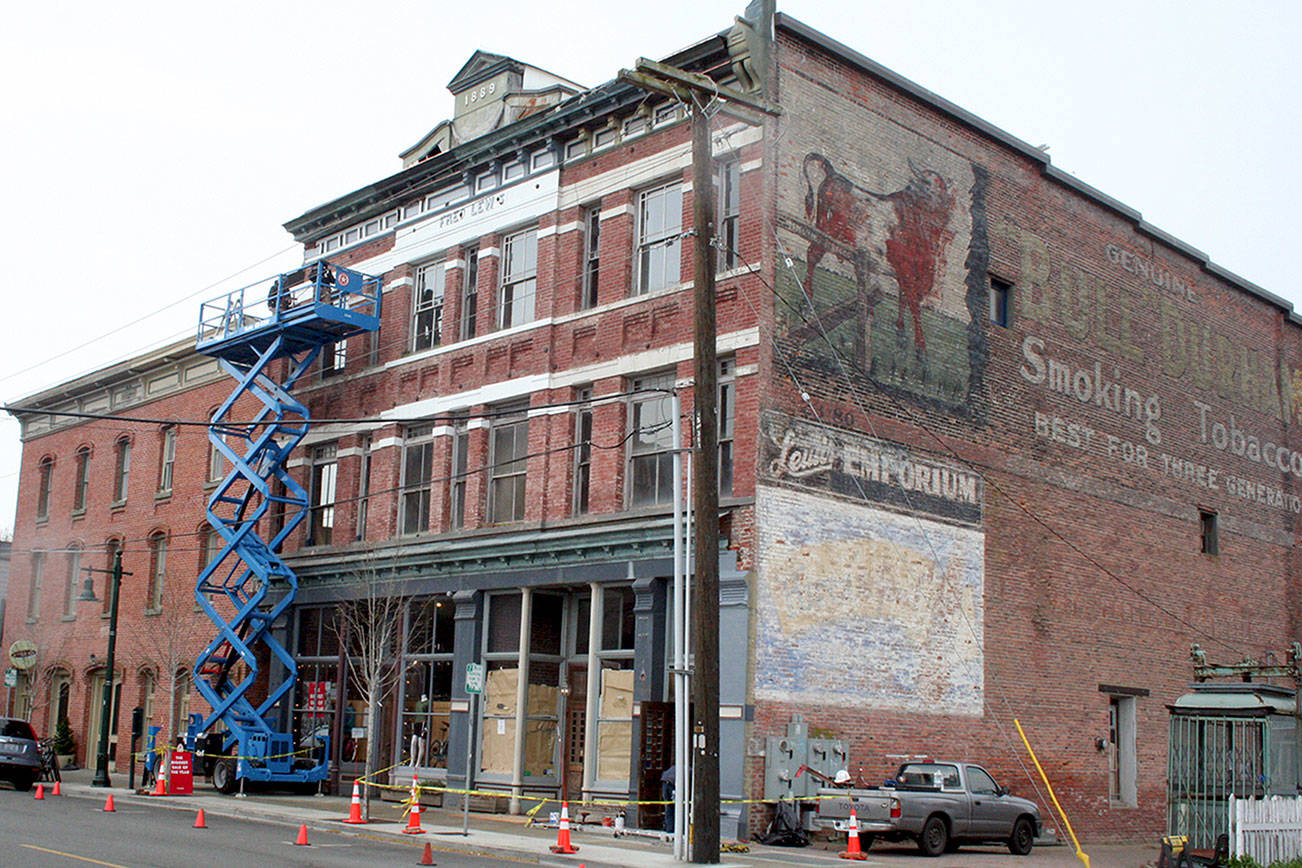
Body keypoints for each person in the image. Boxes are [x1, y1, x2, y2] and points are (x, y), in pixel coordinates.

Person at [661, 764, 676, 833]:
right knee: (674, 807)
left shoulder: (672, 768)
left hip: (665, 783)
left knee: (668, 806)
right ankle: (673, 828)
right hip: (671, 785)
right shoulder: (688, 770)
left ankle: (669, 829)